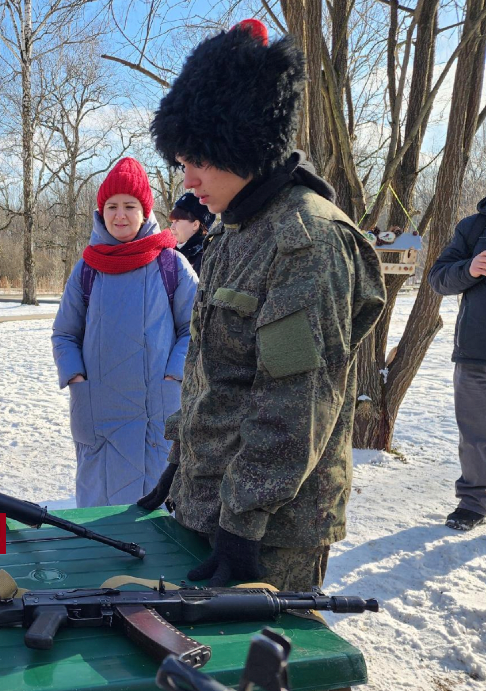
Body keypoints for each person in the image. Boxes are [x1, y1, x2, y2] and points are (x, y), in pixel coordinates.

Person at [140, 18, 385, 594]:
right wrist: (183, 460)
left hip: (268, 532)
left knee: (274, 677)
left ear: (244, 144)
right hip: (212, 506)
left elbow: (297, 402)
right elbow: (216, 372)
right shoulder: (235, 229)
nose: (188, 178)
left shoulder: (306, 240)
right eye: (181, 160)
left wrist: (244, 521)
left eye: (200, 158)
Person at [51, 157, 197, 507]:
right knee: (102, 515)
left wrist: (173, 376)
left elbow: (195, 328)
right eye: (112, 206)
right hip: (99, 412)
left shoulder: (171, 263)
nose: (120, 215)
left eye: (130, 206)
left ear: (145, 211)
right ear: (101, 212)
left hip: (156, 411)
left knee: (157, 512)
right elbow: (64, 334)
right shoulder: (87, 267)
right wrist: (76, 380)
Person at [428, 198, 486, 531]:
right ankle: (474, 503)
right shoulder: (473, 227)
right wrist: (470, 268)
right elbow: (438, 278)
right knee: (476, 435)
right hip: (476, 353)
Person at [168, 191, 215, 274]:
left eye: (177, 221)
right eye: (172, 222)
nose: (172, 227)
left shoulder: (208, 257)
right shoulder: (168, 253)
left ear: (195, 225)